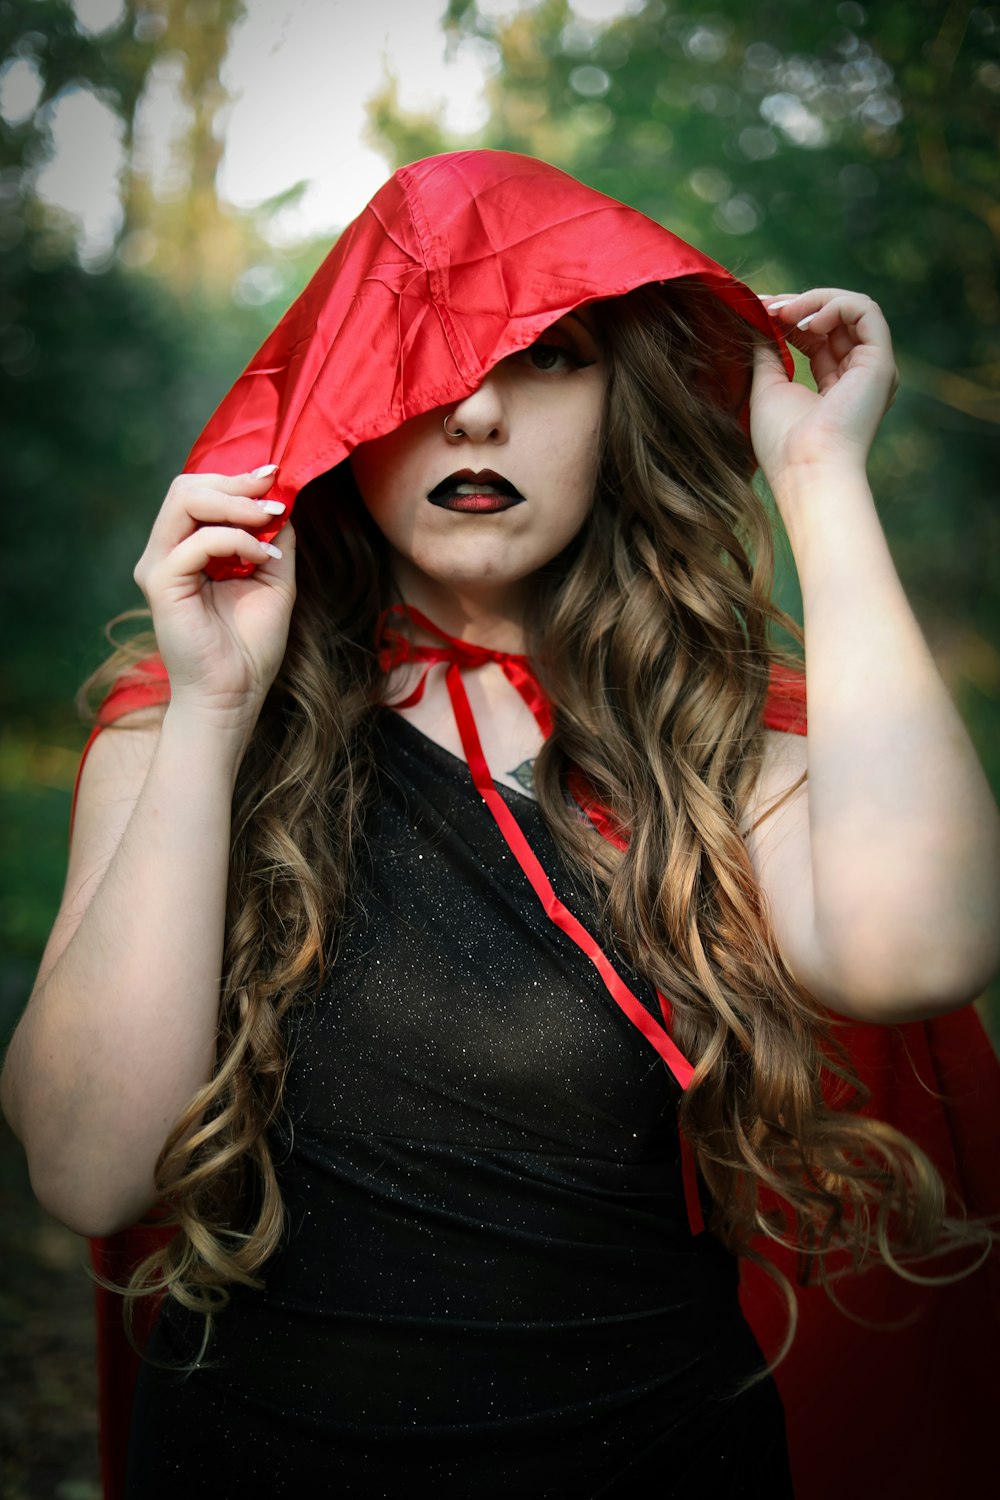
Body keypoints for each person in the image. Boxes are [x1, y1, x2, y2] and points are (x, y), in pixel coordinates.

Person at [2, 150, 999, 1499]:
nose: (474, 411)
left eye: (551, 358)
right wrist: (209, 716)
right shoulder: (182, 727)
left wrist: (820, 477)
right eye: (417, 362)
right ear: (342, 411)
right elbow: (85, 1170)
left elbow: (919, 953)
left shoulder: (717, 736)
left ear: (622, 402)